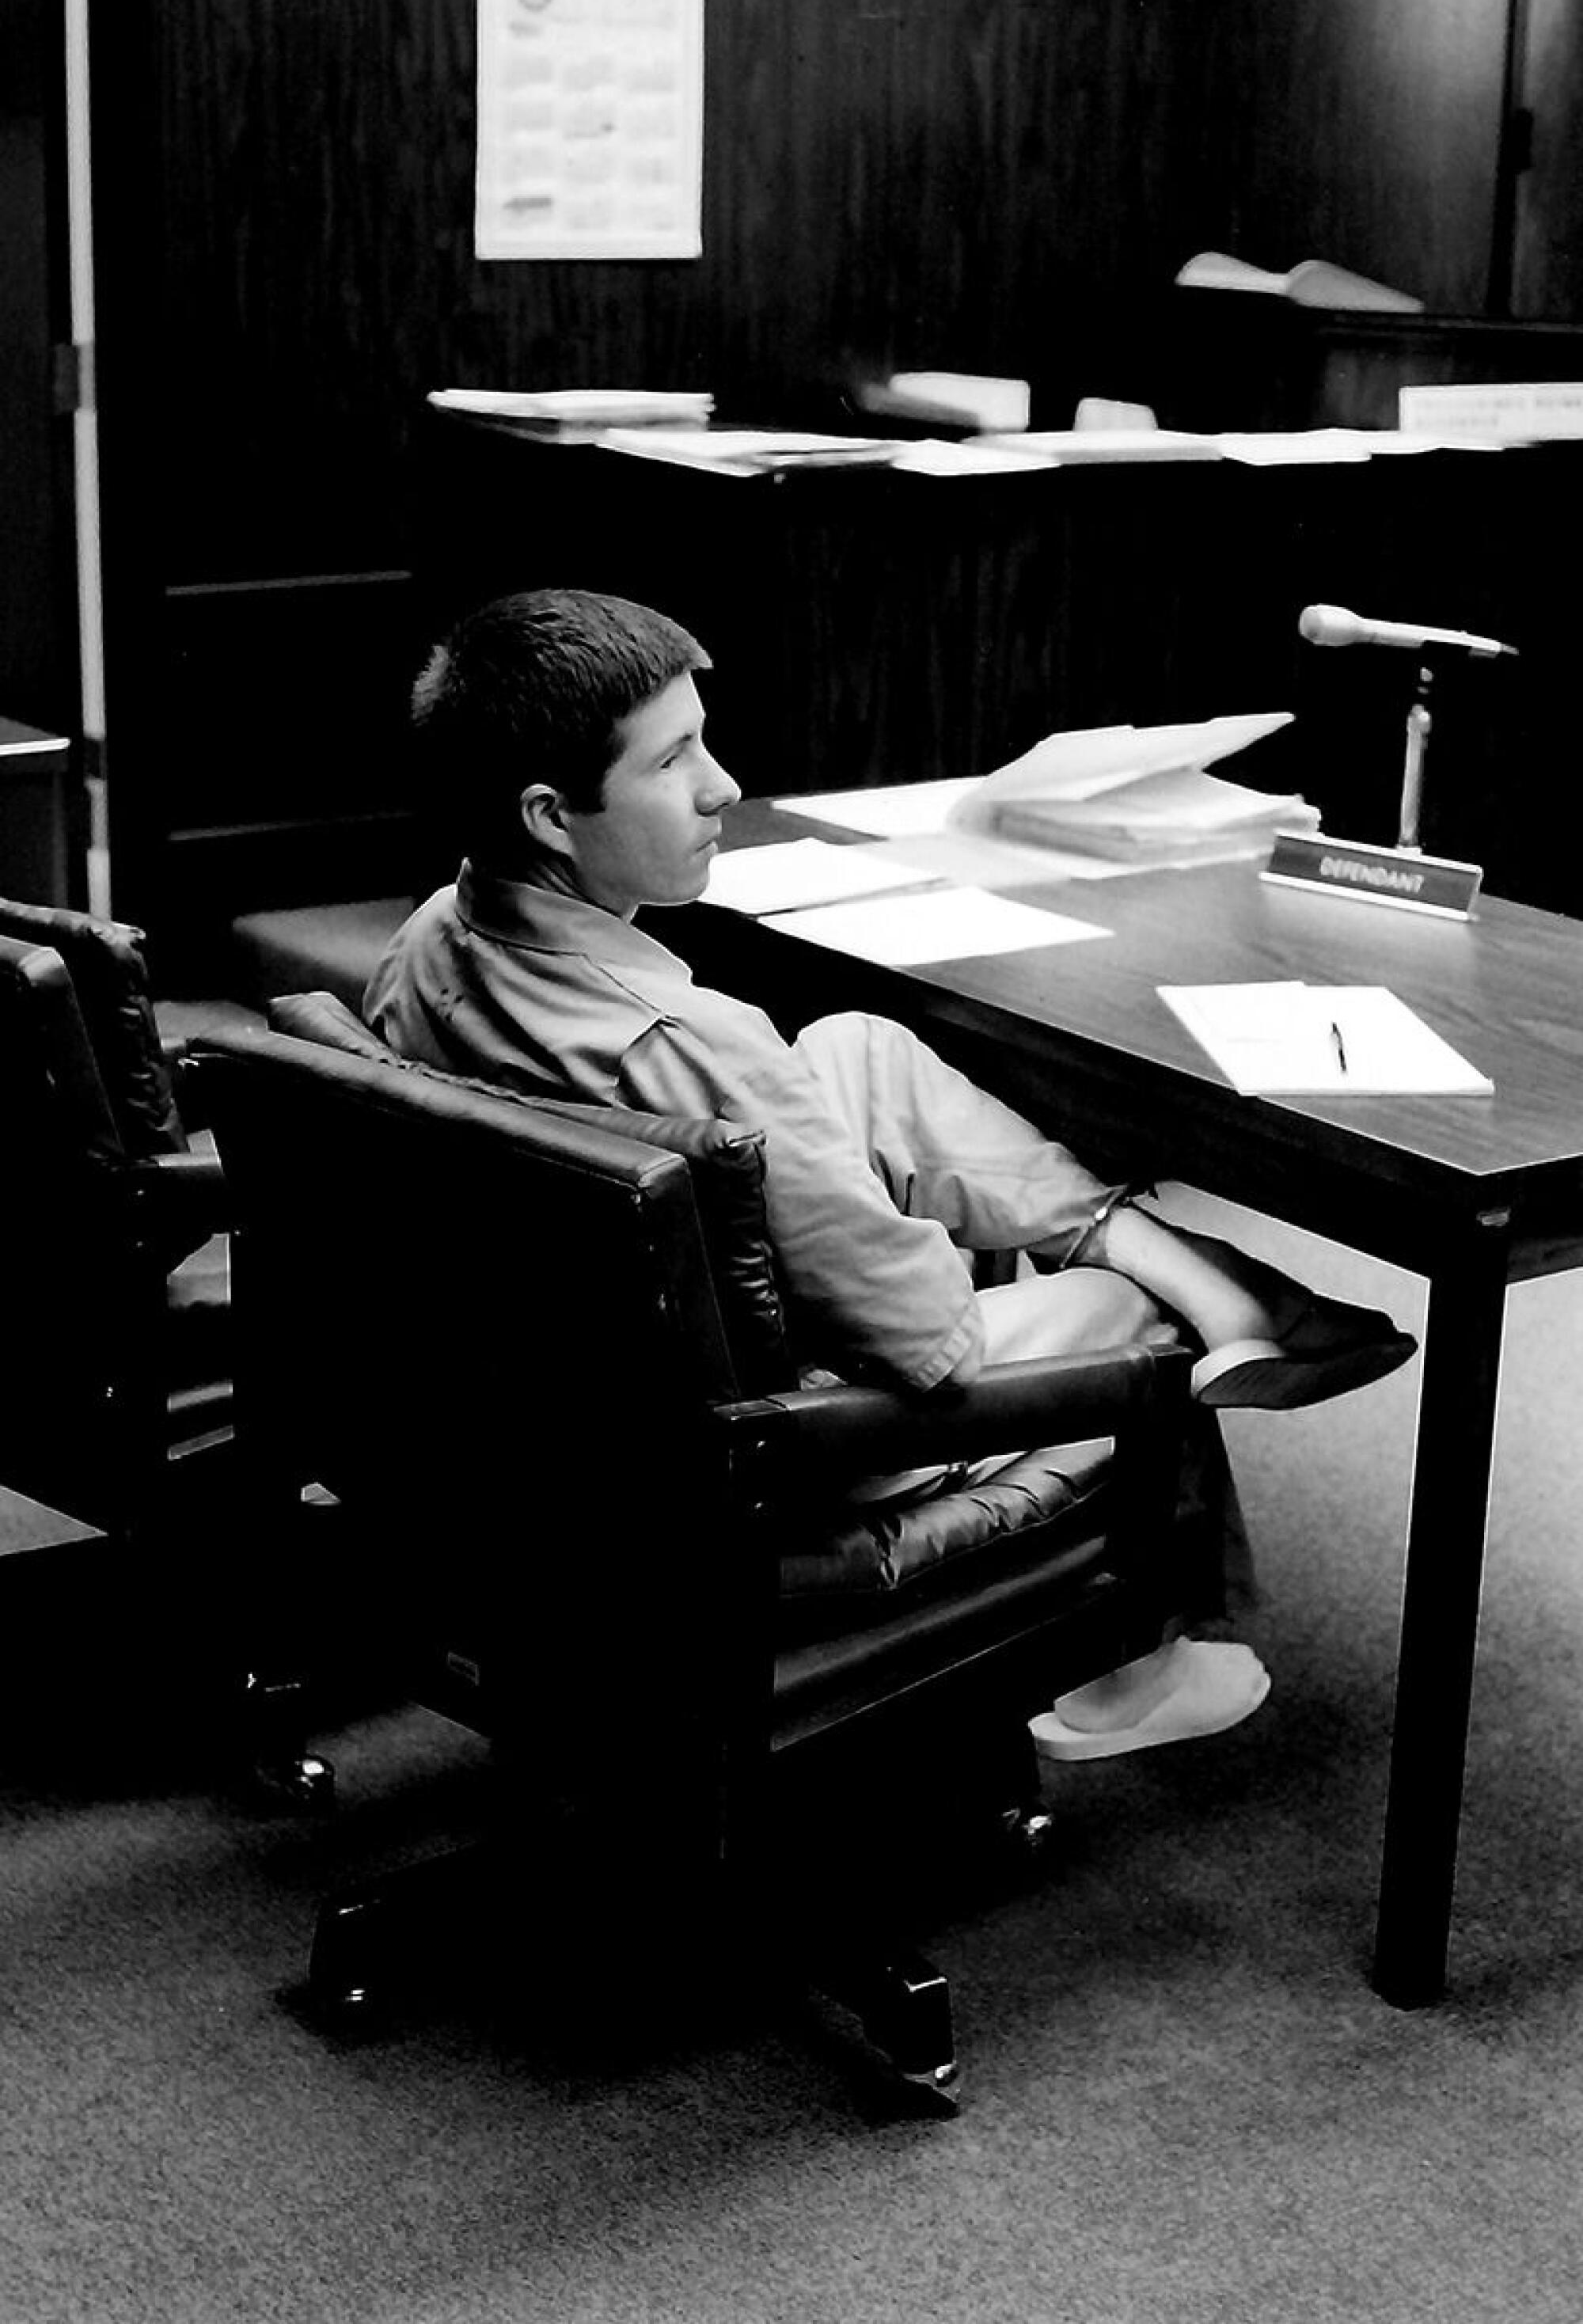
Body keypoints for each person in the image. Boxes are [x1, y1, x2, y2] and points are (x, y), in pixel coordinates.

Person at [365, 588, 1416, 1761]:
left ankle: (1212, 1279)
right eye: (676, 761)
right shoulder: (691, 1044)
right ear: (555, 816)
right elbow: (932, 1340)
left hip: (550, 1404)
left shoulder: (425, 945)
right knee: (1130, 1319)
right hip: (743, 1448)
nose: (722, 784)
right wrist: (893, 1228)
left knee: (857, 1049)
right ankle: (1153, 1637)